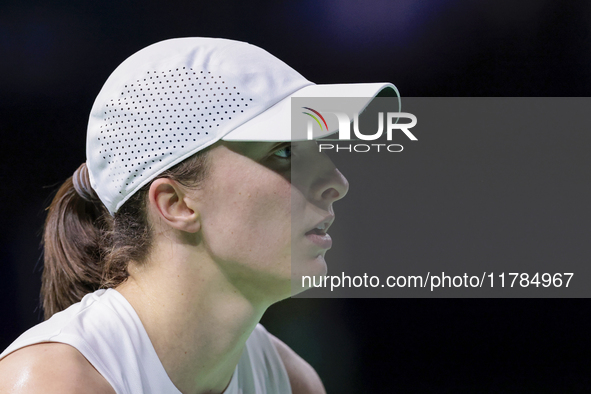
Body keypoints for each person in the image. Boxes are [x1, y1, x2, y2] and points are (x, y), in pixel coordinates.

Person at [0, 37, 397, 393]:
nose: (336, 181)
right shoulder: (52, 383)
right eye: (285, 152)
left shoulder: (294, 382)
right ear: (175, 203)